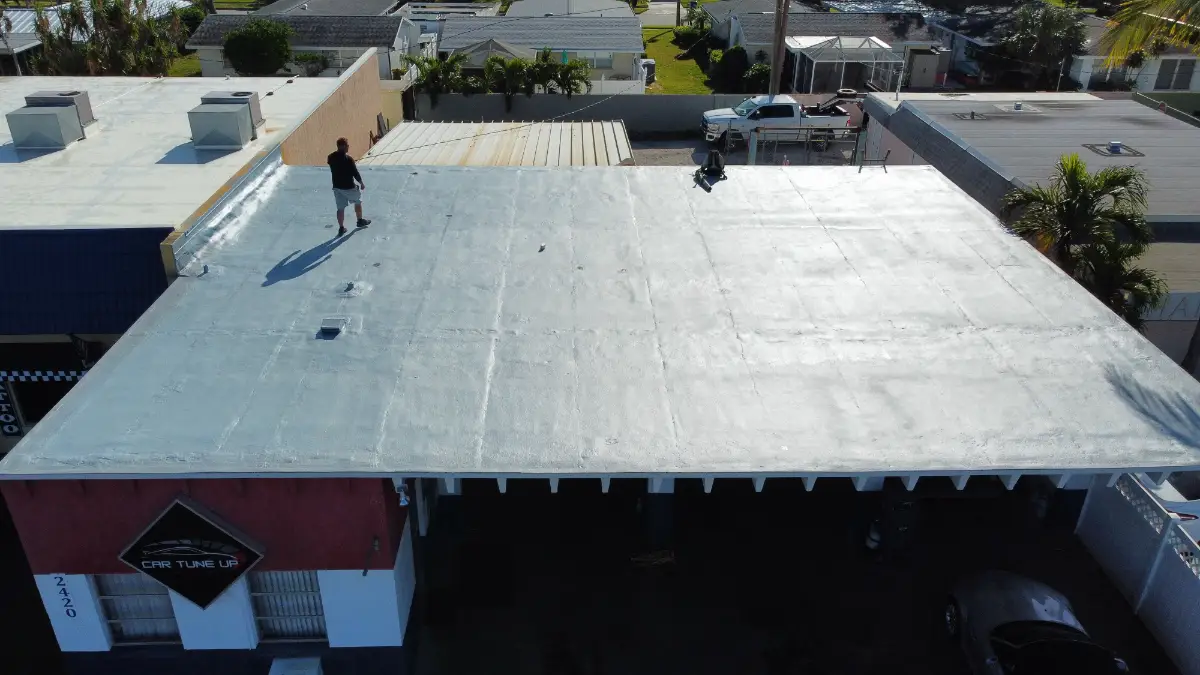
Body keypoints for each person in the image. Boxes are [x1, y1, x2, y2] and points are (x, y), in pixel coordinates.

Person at [327, 137, 370, 237]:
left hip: (337, 187)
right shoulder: (348, 159)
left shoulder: (330, 157)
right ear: (342, 146)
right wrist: (361, 183)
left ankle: (341, 228)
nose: (348, 147)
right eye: (347, 145)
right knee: (358, 201)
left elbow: (331, 164)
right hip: (349, 187)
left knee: (340, 208)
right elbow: (355, 173)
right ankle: (360, 220)